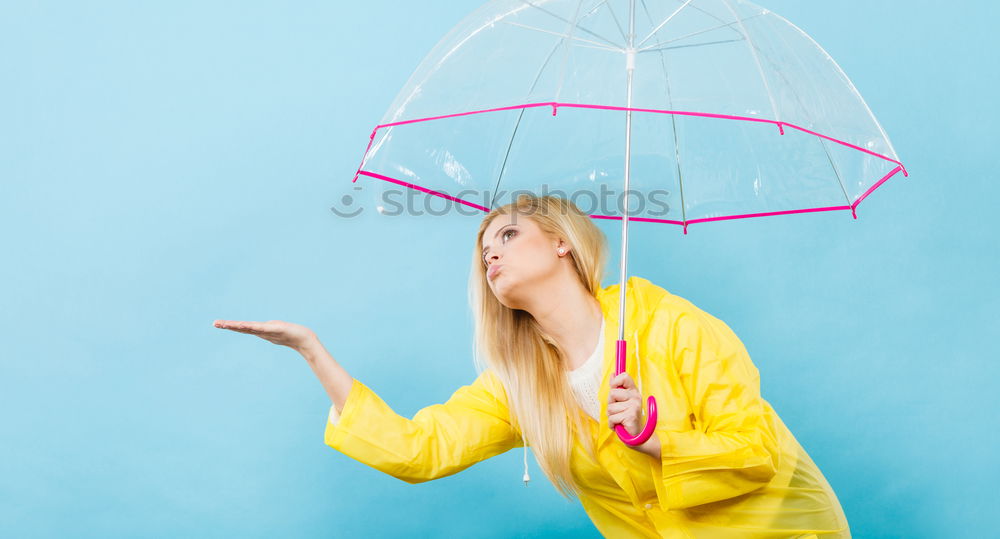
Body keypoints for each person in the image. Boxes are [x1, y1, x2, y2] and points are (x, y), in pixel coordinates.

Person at [215, 194, 850, 538]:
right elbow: (416, 450)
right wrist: (311, 350)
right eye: (484, 250)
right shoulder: (519, 387)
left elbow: (755, 451)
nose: (490, 254)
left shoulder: (671, 325)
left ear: (561, 242)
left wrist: (656, 440)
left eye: (508, 235)